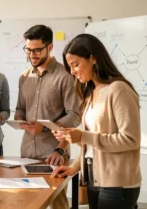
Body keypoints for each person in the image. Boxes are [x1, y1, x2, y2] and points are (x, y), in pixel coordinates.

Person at [51, 34, 141, 209]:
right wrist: (74, 167)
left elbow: (130, 140)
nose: (72, 72)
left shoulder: (119, 90)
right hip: (94, 177)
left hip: (117, 183)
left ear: (93, 58)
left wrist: (83, 136)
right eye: (70, 67)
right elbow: (92, 148)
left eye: (75, 65)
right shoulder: (90, 93)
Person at [14, 25, 81, 209]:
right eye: (28, 50)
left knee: (57, 204)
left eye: (37, 50)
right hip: (27, 152)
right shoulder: (24, 77)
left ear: (50, 47)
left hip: (54, 153)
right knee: (27, 201)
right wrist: (20, 119)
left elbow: (75, 115)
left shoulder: (65, 76)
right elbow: (20, 107)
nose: (32, 55)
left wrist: (45, 128)